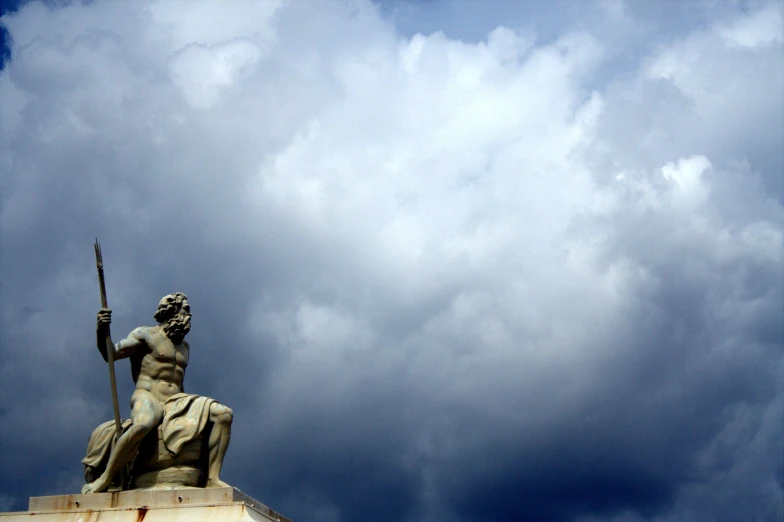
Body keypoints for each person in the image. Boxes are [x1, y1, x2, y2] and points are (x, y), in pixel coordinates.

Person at [81, 292, 233, 493]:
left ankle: (213, 479)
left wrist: (192, 413)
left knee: (223, 414)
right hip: (148, 396)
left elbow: (178, 381)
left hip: (177, 399)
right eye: (186, 309)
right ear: (171, 310)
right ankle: (106, 478)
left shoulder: (184, 347)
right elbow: (111, 354)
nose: (190, 315)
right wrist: (102, 330)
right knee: (144, 423)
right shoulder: (145, 335)